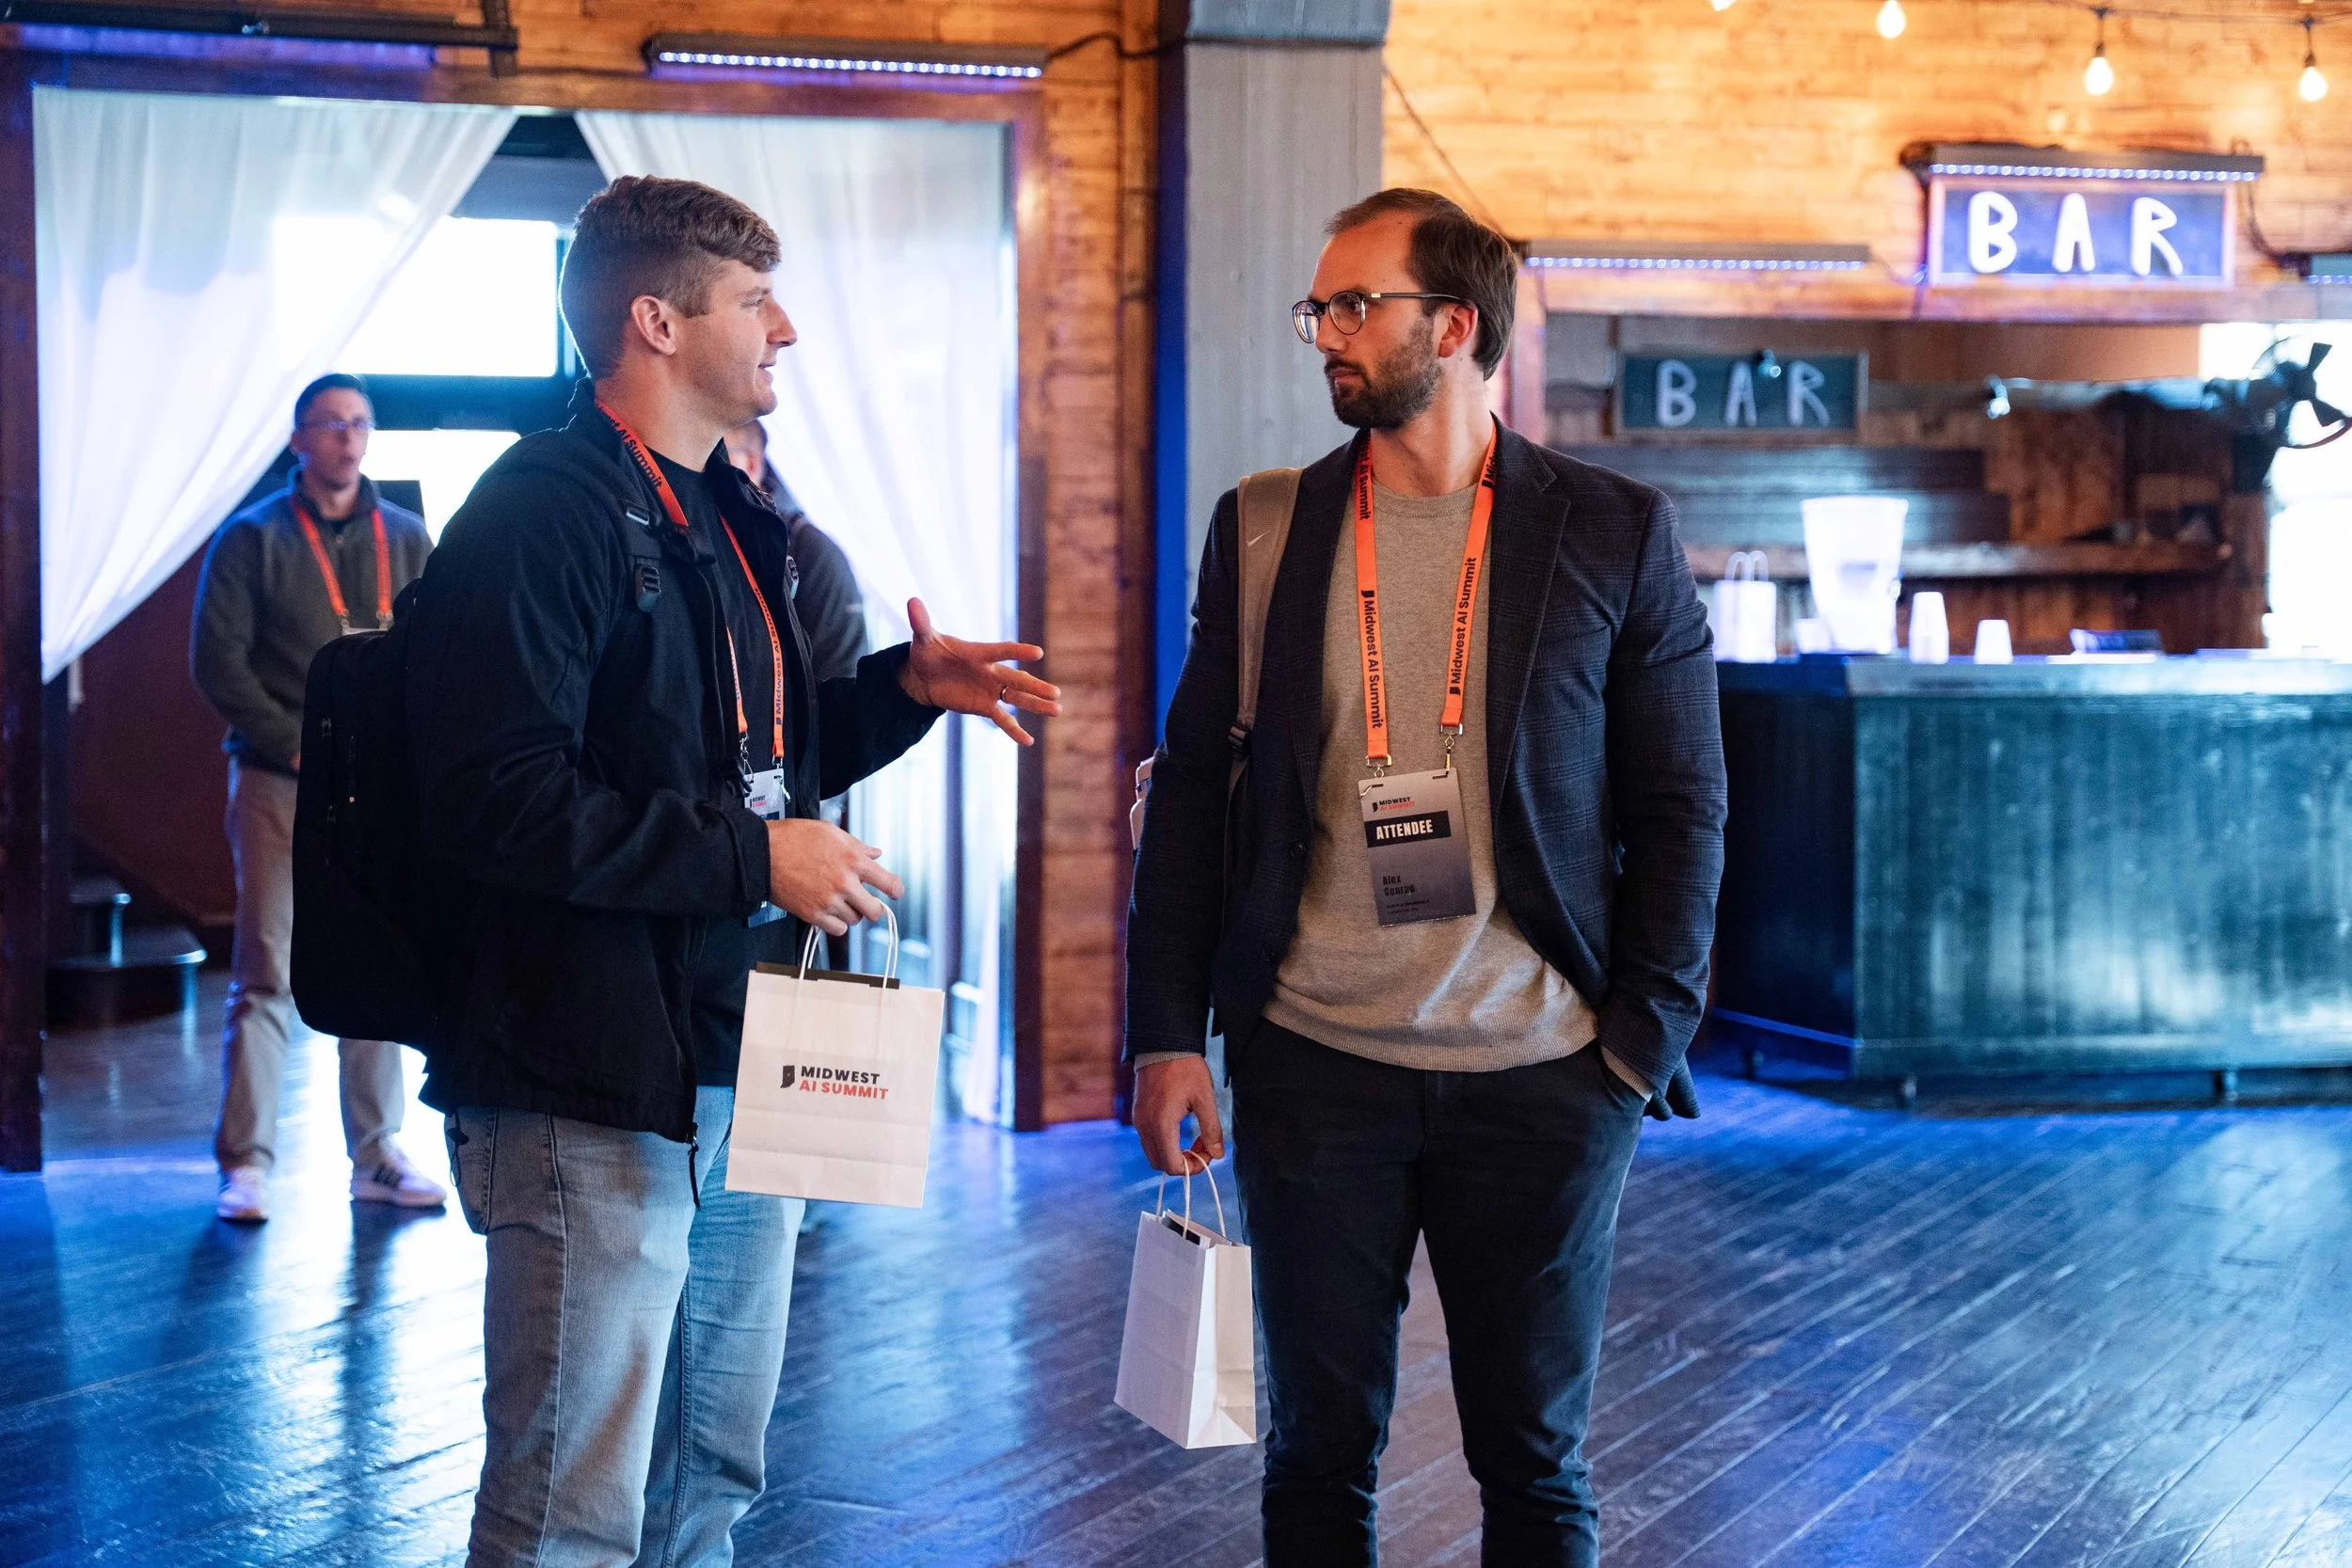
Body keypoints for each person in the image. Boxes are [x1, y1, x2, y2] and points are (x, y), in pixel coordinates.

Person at [405, 175, 1059, 1568]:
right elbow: (493, 800)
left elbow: (743, 757)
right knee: (570, 1500)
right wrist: (757, 855)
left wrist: (900, 691)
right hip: (584, 1074)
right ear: (656, 320)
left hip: (734, 1052)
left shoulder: (721, 517)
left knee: (712, 1464)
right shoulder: (541, 513)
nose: (789, 331)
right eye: (756, 301)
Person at [1125, 188, 1726, 1566]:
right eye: (1317, 308)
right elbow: (1196, 805)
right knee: (1319, 1453)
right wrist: (1169, 1035)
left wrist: (1639, 1044)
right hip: (1316, 1065)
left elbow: (1684, 805)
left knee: (1532, 1461)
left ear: (1452, 327)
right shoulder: (1267, 525)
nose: (1323, 333)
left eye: (1355, 306)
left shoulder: (1613, 529)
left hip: (1547, 1071)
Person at [190, 372, 444, 1224]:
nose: (346, 438)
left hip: (373, 790)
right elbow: (217, 663)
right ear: (298, 439)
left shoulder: (406, 536)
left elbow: (437, 649)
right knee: (265, 967)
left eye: (359, 423)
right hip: (275, 780)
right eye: (329, 424)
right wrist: (292, 739)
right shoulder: (250, 539)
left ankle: (376, 1152)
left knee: (373, 962)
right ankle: (247, 1161)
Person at [723, 417, 867, 682]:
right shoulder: (707, 541)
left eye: (718, 456)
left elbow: (842, 681)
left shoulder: (814, 553)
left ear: (751, 464)